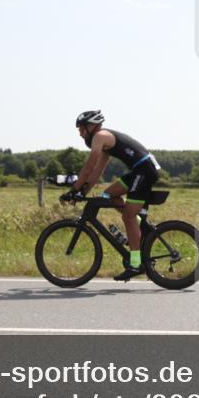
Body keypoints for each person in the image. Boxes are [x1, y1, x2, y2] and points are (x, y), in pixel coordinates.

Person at [62, 110, 160, 281]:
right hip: (139, 170)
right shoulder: (105, 142)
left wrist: (74, 189)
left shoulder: (100, 137)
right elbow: (97, 171)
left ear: (91, 126)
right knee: (108, 196)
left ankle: (136, 264)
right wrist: (82, 192)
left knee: (128, 216)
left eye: (81, 129)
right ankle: (138, 227)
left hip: (144, 171)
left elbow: (89, 166)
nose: (79, 133)